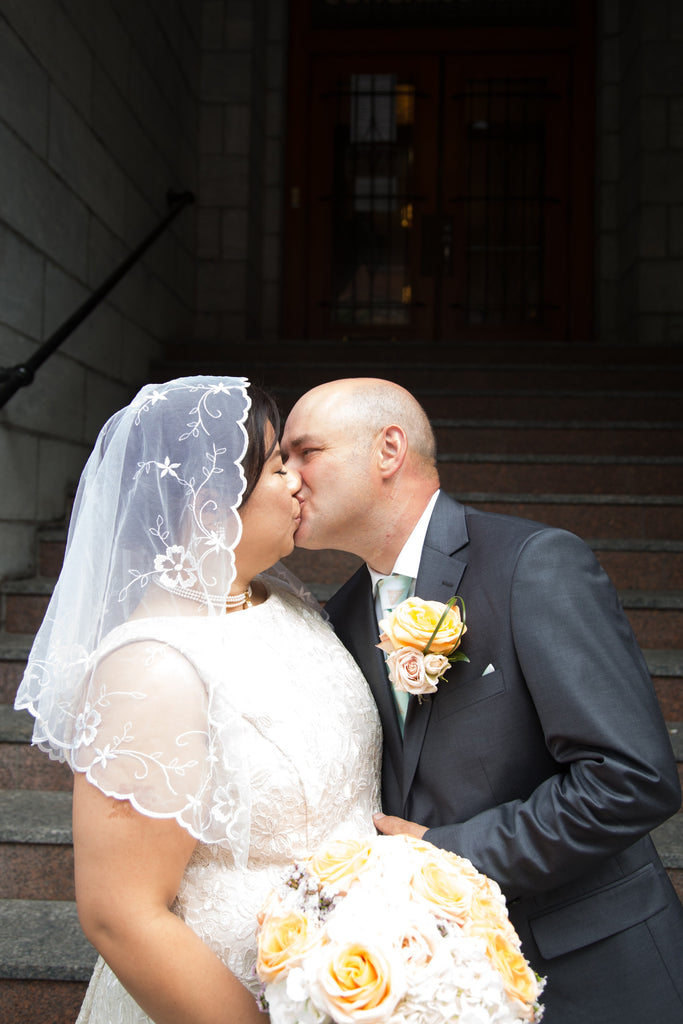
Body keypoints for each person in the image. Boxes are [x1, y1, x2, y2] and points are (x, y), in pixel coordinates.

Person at [281, 376, 683, 1024]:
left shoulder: (531, 564)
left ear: (388, 450)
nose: (289, 480)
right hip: (450, 985)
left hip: (598, 974)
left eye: (306, 453)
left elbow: (632, 780)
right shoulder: (344, 615)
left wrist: (446, 854)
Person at [15, 376, 381, 1024]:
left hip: (350, 975)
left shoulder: (284, 601)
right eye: (277, 467)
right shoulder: (151, 666)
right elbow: (120, 915)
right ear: (210, 506)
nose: (301, 482)